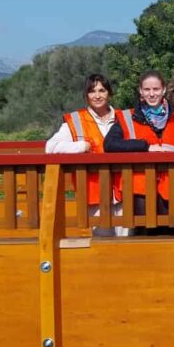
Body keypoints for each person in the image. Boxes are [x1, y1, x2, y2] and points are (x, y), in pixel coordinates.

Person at [104, 71, 174, 234]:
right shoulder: (126, 117)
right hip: (138, 190)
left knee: (173, 239)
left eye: (156, 89)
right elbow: (110, 144)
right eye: (147, 89)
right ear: (141, 91)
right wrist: (145, 146)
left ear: (164, 90)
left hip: (171, 190)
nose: (152, 94)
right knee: (144, 241)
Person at [45, 73, 124, 237]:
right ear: (86, 95)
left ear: (109, 93)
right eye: (92, 91)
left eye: (102, 90)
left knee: (128, 242)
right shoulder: (75, 120)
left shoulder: (124, 118)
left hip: (124, 190)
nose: (97, 95)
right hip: (95, 192)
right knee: (102, 245)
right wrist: (81, 146)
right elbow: (51, 147)